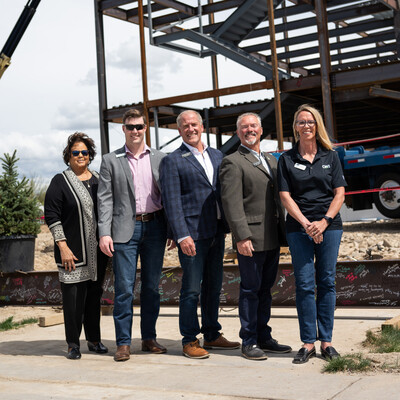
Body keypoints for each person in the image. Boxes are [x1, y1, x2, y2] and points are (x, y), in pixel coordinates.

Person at [160, 110, 240, 359]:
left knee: (214, 287)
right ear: (179, 130)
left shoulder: (218, 155)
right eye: (185, 125)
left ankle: (212, 335)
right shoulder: (172, 161)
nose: (190, 128)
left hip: (217, 230)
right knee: (192, 289)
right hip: (192, 235)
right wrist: (181, 235)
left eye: (194, 124)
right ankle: (189, 340)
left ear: (202, 127)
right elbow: (171, 202)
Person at [277, 104, 346, 364]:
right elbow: (285, 196)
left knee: (327, 281)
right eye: (301, 122)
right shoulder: (286, 158)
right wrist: (308, 224)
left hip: (329, 226)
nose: (306, 126)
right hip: (299, 227)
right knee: (305, 285)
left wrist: (324, 222)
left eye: (311, 121)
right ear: (295, 127)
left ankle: (326, 341)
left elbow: (339, 193)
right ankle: (308, 342)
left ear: (317, 126)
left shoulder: (331, 156)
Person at [219, 112, 292, 360]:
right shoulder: (232, 162)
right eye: (244, 127)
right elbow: (232, 203)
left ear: (261, 130)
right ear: (238, 133)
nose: (249, 130)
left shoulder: (272, 160)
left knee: (266, 289)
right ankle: (248, 340)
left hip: (272, 236)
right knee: (250, 289)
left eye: (253, 126)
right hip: (250, 237)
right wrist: (241, 237)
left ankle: (264, 336)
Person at [97, 109, 168, 362]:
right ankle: (123, 343)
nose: (135, 131)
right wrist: (104, 232)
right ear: (123, 129)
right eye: (130, 127)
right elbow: (104, 199)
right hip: (124, 231)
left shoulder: (161, 158)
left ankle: (148, 338)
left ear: (145, 128)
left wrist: (172, 229)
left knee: (151, 288)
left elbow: (169, 196)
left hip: (156, 228)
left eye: (139, 126)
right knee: (124, 289)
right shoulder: (110, 159)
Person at [44, 132, 109, 360]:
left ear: (90, 156)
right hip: (72, 252)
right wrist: (63, 247)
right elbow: (52, 215)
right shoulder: (60, 181)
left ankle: (94, 339)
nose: (80, 156)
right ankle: (73, 344)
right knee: (72, 299)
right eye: (75, 152)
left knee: (94, 295)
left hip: (98, 254)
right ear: (68, 156)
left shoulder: (100, 180)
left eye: (84, 152)